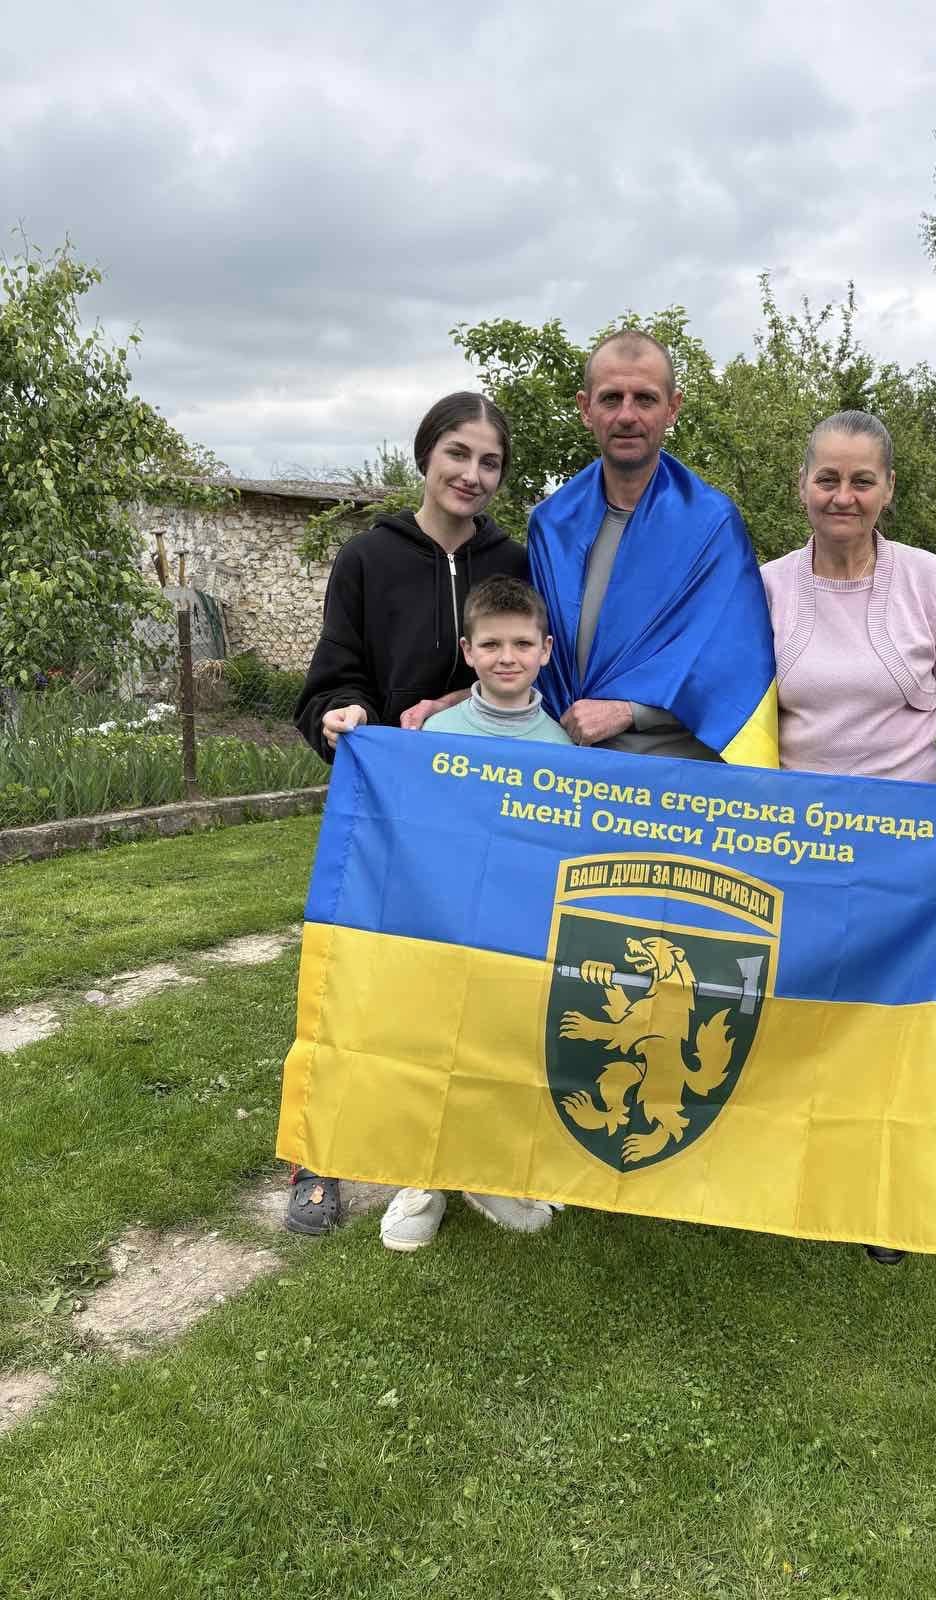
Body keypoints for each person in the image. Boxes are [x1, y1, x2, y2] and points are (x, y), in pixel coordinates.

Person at [760, 408, 936, 1266]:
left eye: (862, 480)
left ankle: (879, 1199)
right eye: (827, 479)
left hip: (906, 847)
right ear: (802, 486)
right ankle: (771, 1172)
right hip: (797, 845)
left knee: (889, 1024)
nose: (842, 496)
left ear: (888, 489)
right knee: (793, 1013)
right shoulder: (765, 586)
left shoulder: (930, 581)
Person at [287, 392, 528, 1235]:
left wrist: (459, 698)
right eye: (458, 453)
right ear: (425, 455)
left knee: (475, 989)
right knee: (356, 982)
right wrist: (342, 713)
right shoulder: (366, 557)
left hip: (484, 819)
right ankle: (320, 1158)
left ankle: (465, 1157)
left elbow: (521, 662)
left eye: (490, 461)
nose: (472, 474)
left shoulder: (515, 560)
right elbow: (331, 677)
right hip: (388, 814)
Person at [378, 574, 572, 1251]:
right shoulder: (437, 732)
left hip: (518, 932)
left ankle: (492, 1172)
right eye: (491, 644)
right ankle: (422, 1178)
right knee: (434, 1048)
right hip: (444, 924)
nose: (506, 657)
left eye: (521, 643)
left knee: (507, 1048)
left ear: (546, 650)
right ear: (467, 651)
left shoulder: (562, 748)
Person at [528, 329, 779, 769]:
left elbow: (734, 666)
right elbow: (525, 655)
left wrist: (630, 711)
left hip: (678, 779)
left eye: (644, 399)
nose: (627, 415)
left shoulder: (712, 524)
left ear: (672, 408)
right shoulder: (551, 525)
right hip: (569, 772)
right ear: (585, 408)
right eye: (611, 398)